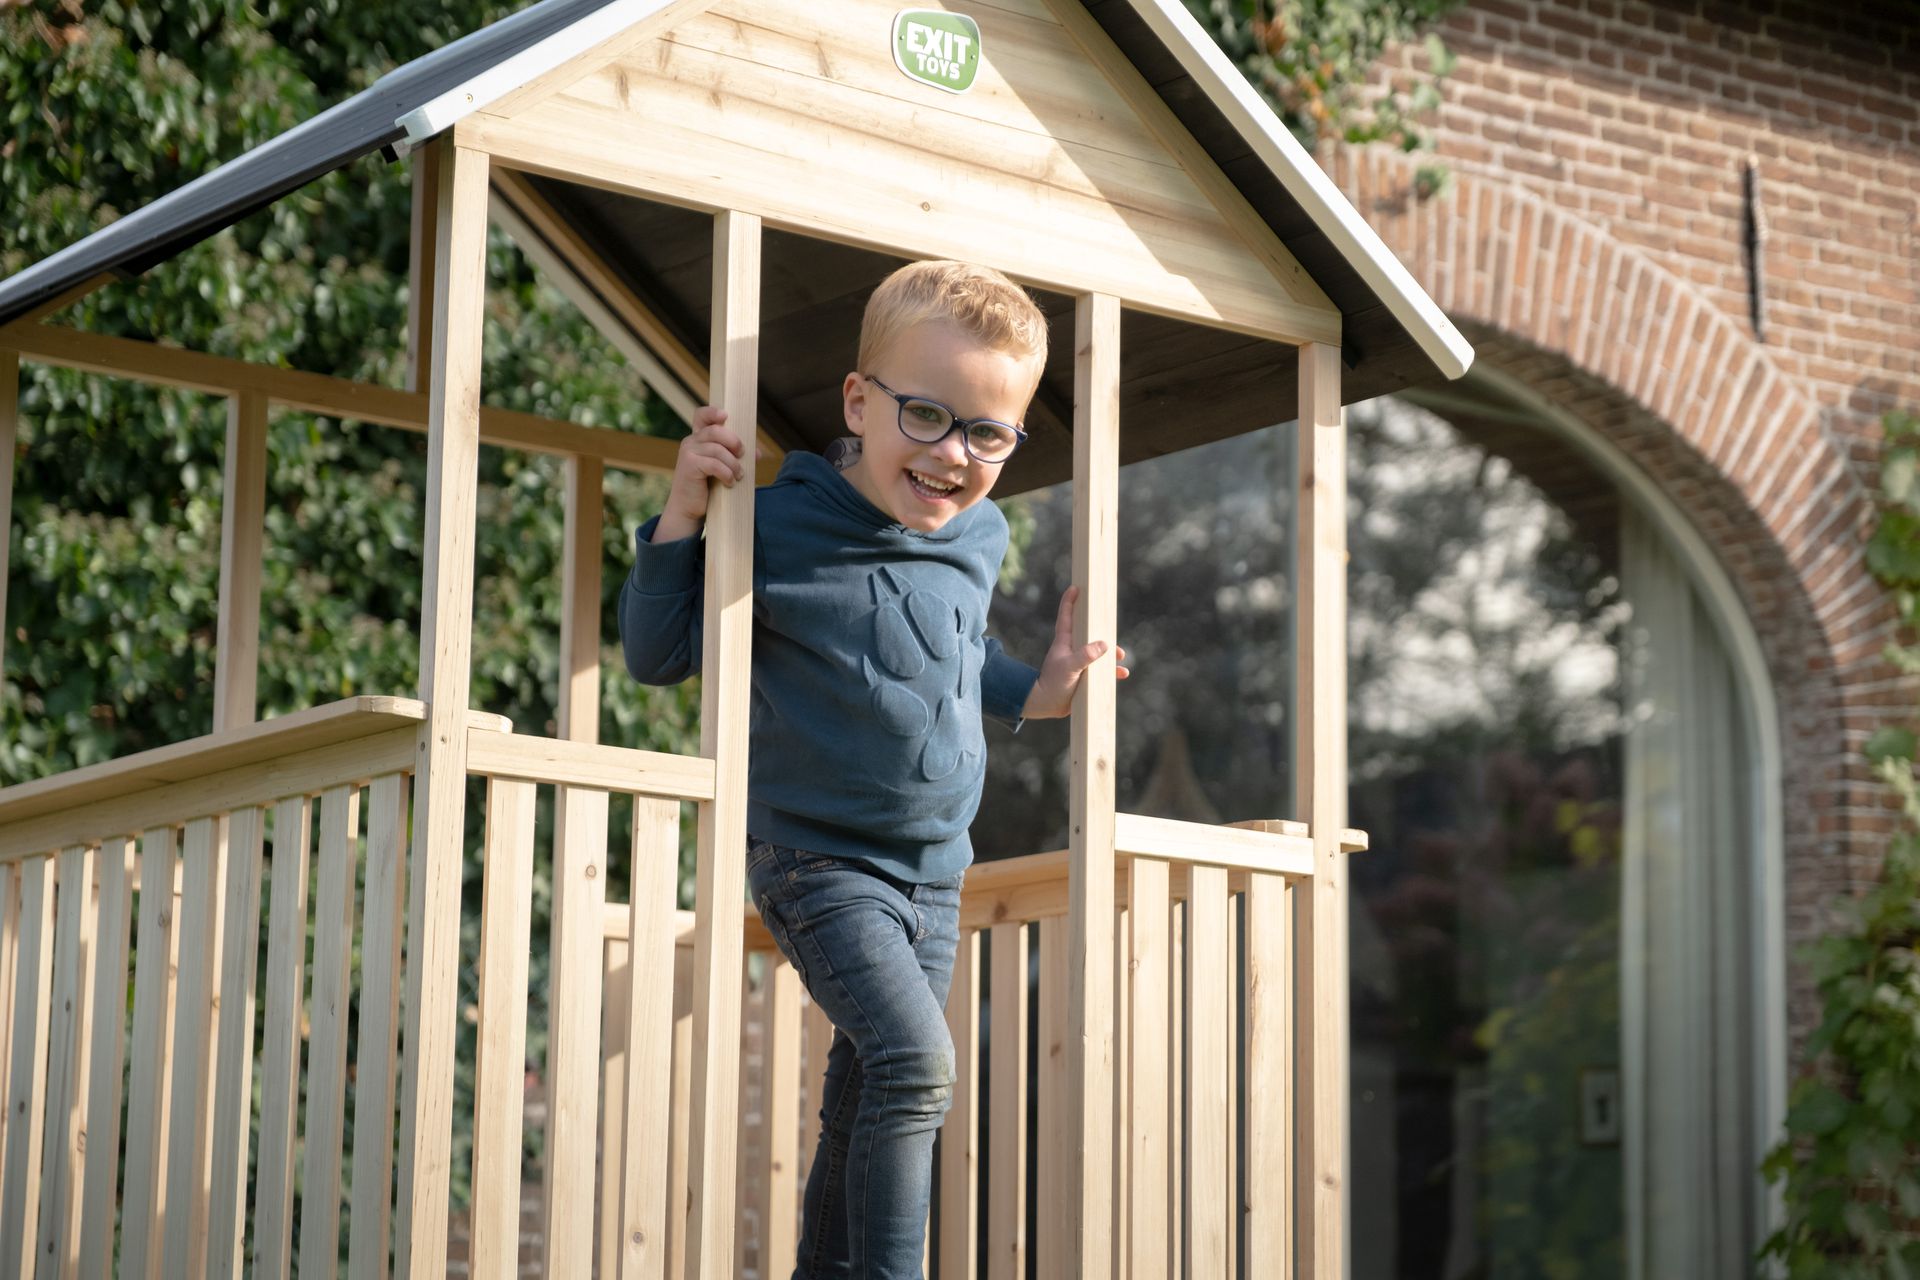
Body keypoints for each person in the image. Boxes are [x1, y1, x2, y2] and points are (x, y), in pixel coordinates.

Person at [619, 259, 1126, 1278]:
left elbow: (954, 653)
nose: (954, 455)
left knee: (865, 1094)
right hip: (818, 859)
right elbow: (657, 651)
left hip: (933, 871)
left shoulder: (980, 534)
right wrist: (683, 508)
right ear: (861, 400)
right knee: (915, 1060)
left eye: (989, 433)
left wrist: (1045, 688)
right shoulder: (778, 527)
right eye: (929, 416)